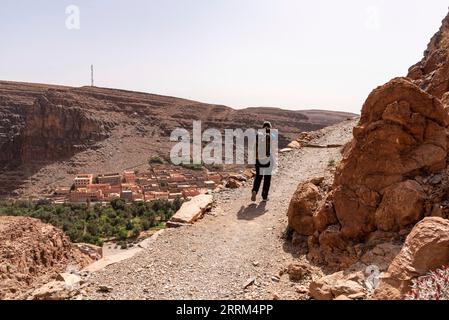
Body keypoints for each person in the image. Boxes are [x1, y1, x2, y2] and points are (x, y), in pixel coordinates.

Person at [251, 121, 274, 202]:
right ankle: (264, 196)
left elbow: (253, 147)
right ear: (270, 127)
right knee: (267, 178)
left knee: (258, 176)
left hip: (258, 159)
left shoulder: (257, 135)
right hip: (267, 159)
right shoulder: (271, 135)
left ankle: (254, 190)